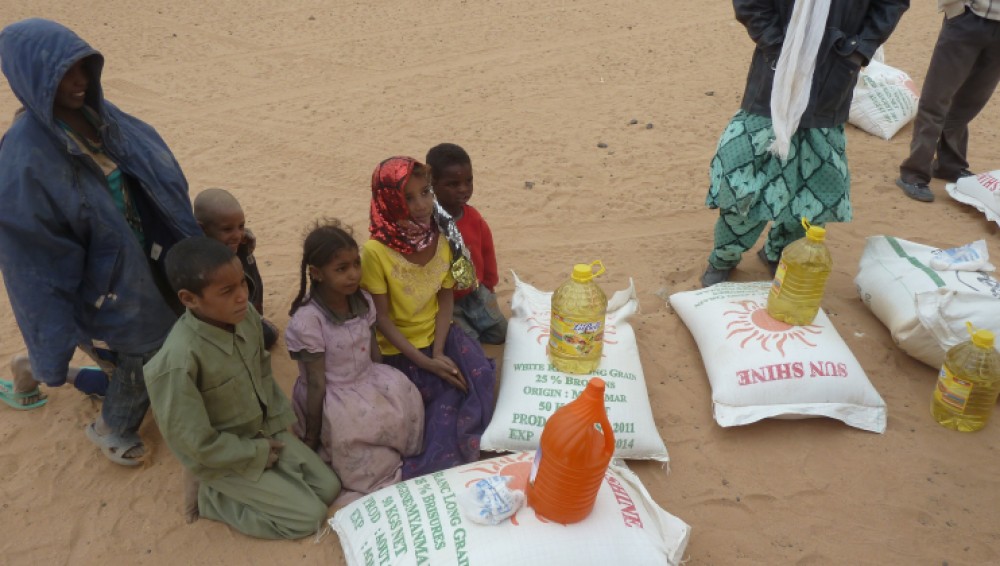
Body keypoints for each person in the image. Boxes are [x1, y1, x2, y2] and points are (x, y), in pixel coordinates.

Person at [0, 19, 202, 464]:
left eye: (84, 69)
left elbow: (159, 175)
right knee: (146, 353)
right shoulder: (22, 158)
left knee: (181, 326)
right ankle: (111, 427)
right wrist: (51, 342)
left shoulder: (104, 119)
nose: (79, 82)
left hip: (143, 255)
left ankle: (29, 369)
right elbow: (35, 264)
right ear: (33, 78)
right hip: (100, 283)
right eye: (65, 74)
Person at [700, 0, 909, 287]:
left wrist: (859, 49)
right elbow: (750, 4)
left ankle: (780, 254)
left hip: (834, 76)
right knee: (743, 181)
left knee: (811, 188)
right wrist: (777, 46)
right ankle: (724, 257)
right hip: (774, 79)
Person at [145, 236, 341, 539]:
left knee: (328, 488)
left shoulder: (246, 316)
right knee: (308, 519)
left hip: (262, 433)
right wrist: (255, 452)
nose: (242, 296)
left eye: (242, 284)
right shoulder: (178, 362)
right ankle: (212, 499)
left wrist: (276, 425)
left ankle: (270, 480)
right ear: (189, 299)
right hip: (222, 458)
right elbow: (195, 444)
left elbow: (263, 371)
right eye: (227, 291)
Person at [361, 156, 497, 479]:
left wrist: (438, 352)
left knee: (479, 378)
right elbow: (382, 319)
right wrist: (425, 362)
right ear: (388, 201)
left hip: (438, 335)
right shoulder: (375, 252)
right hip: (400, 350)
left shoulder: (440, 234)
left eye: (425, 193)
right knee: (441, 405)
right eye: (408, 198)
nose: (421, 205)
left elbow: (445, 296)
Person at [285, 219, 424, 504]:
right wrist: (311, 437)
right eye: (341, 269)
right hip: (332, 392)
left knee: (404, 400)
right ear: (316, 273)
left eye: (356, 264)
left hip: (367, 376)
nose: (353, 275)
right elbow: (315, 382)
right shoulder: (309, 321)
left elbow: (373, 349)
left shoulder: (363, 301)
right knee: (354, 432)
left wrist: (381, 385)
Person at [896, 1, 1000, 203]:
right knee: (936, 99)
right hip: (967, 20)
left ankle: (950, 165)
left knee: (970, 102)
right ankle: (914, 173)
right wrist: (956, 9)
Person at [426, 143, 508, 344]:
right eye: (453, 184)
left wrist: (489, 285)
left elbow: (487, 251)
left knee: (502, 334)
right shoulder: (428, 225)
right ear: (432, 183)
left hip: (476, 292)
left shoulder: (473, 217)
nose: (463, 189)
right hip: (444, 302)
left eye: (468, 181)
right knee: (469, 343)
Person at [193, 188, 278, 348]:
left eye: (241, 226)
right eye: (227, 229)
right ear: (202, 229)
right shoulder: (200, 263)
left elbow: (254, 282)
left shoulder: (241, 245)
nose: (237, 235)